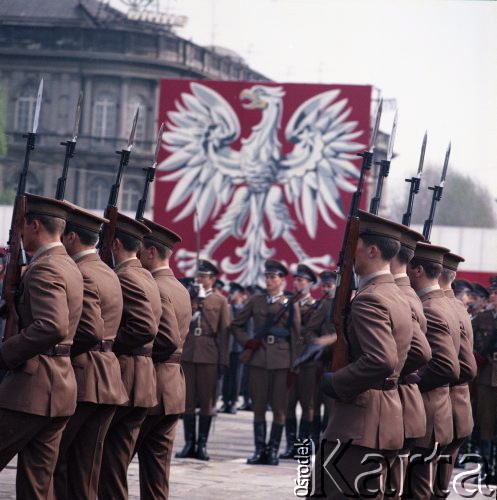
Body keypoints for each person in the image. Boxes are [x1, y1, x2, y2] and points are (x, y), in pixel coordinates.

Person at [318, 210, 413, 499]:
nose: (349, 253)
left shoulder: (370, 297)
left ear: (372, 250)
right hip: (387, 417)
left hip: (360, 423)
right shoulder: (397, 294)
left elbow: (381, 359)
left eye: (353, 246)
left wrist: (337, 381)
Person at [0, 194, 83, 499]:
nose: (20, 234)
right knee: (37, 486)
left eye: (22, 227)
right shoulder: (69, 265)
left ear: (35, 225)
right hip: (60, 387)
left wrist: (5, 353)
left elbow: (52, 325)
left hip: (31, 390)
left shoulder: (46, 267)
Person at [54, 205, 128, 500]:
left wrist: (65, 353)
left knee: (60, 462)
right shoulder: (108, 272)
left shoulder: (82, 272)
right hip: (108, 377)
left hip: (86, 378)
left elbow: (89, 331)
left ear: (71, 238)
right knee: (86, 468)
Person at [98, 214, 162, 500]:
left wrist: (111, 343)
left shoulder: (125, 275)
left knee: (110, 466)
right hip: (142, 378)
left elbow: (144, 328)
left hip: (128, 376)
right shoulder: (146, 276)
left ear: (115, 243)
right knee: (115, 463)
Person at [135, 219, 192, 499]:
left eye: (140, 250)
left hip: (151, 384)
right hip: (173, 387)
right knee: (157, 474)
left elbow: (165, 341)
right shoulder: (181, 288)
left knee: (113, 464)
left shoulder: (154, 287)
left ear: (150, 253)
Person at [231, 259, 300, 466]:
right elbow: (236, 325)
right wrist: (247, 342)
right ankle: (259, 449)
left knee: (279, 408)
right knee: (259, 406)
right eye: (267, 277)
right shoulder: (256, 300)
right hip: (259, 359)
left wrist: (294, 365)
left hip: (282, 360)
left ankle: (272, 451)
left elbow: (296, 337)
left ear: (281, 280)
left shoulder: (290, 304)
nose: (269, 280)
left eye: (273, 277)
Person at [405, 242, 460, 499]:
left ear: (417, 271)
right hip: (438, 412)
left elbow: (447, 366)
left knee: (417, 491)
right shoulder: (449, 305)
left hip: (428, 413)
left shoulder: (429, 307)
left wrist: (410, 384)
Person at [388, 226, 431, 498]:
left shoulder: (401, 296)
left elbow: (421, 352)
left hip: (397, 399)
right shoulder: (410, 295)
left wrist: (394, 372)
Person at [175, 259, 230, 461]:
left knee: (207, 401)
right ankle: (189, 443)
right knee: (188, 401)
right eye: (198, 275)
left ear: (212, 279)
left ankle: (202, 445)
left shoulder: (220, 301)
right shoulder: (189, 297)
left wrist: (223, 360)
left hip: (209, 354)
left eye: (204, 276)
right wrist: (194, 302)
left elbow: (225, 332)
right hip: (189, 352)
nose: (200, 279)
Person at [434, 252, 477, 491]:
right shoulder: (458, 308)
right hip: (457, 406)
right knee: (437, 486)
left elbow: (465, 368)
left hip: (443, 407)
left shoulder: (437, 308)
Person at [280, 263, 318, 459]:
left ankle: (302, 447)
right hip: (290, 361)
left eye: (301, 280)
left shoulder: (316, 306)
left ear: (310, 284)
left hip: (308, 363)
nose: (297, 283)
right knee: (288, 404)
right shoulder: (287, 305)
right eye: (296, 280)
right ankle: (290, 445)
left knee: (307, 405)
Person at [472, 276, 497, 484]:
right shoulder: (482, 318)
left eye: (496, 293)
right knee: (485, 424)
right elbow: (472, 346)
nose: (493, 296)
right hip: (487, 377)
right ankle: (487, 470)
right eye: (493, 293)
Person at [220, 282, 246, 414]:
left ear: (241, 294)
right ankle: (225, 401)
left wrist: (246, 347)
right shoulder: (227, 308)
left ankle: (234, 402)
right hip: (227, 347)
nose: (231, 294)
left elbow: (249, 329)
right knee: (226, 377)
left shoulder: (244, 309)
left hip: (238, 348)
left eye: (234, 292)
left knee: (236, 377)